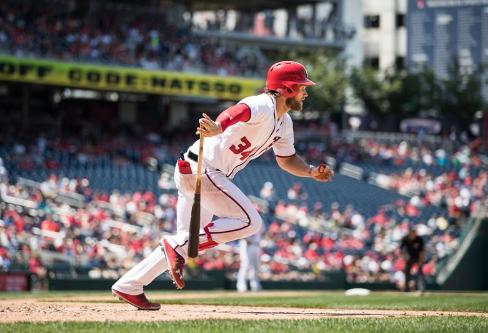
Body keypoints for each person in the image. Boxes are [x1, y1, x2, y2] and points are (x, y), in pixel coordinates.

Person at [111, 61, 334, 310]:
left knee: (184, 243)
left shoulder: (285, 123)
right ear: (287, 89)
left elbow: (287, 159)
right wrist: (219, 126)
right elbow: (239, 111)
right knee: (251, 222)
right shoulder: (263, 104)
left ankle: (129, 285)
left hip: (194, 169)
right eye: (302, 86)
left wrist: (312, 172)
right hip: (204, 170)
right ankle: (176, 246)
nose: (306, 92)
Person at [400, 228, 425, 292]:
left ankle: (421, 288)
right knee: (407, 273)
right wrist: (405, 257)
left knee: (420, 273)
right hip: (409, 258)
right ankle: (407, 288)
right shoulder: (405, 239)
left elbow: (421, 251)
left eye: (414, 233)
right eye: (412, 233)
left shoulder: (419, 239)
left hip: (417, 257)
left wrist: (421, 261)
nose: (413, 235)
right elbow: (402, 250)